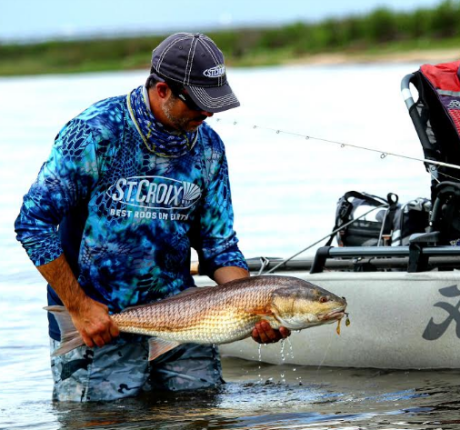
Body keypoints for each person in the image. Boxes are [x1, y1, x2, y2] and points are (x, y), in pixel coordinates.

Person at [14, 32, 290, 402]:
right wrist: (78, 307)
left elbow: (219, 247)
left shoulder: (208, 148)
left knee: (202, 419)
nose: (208, 114)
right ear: (162, 90)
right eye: (198, 104)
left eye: (215, 104)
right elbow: (32, 224)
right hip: (97, 324)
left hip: (188, 324)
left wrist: (254, 307)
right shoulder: (95, 133)